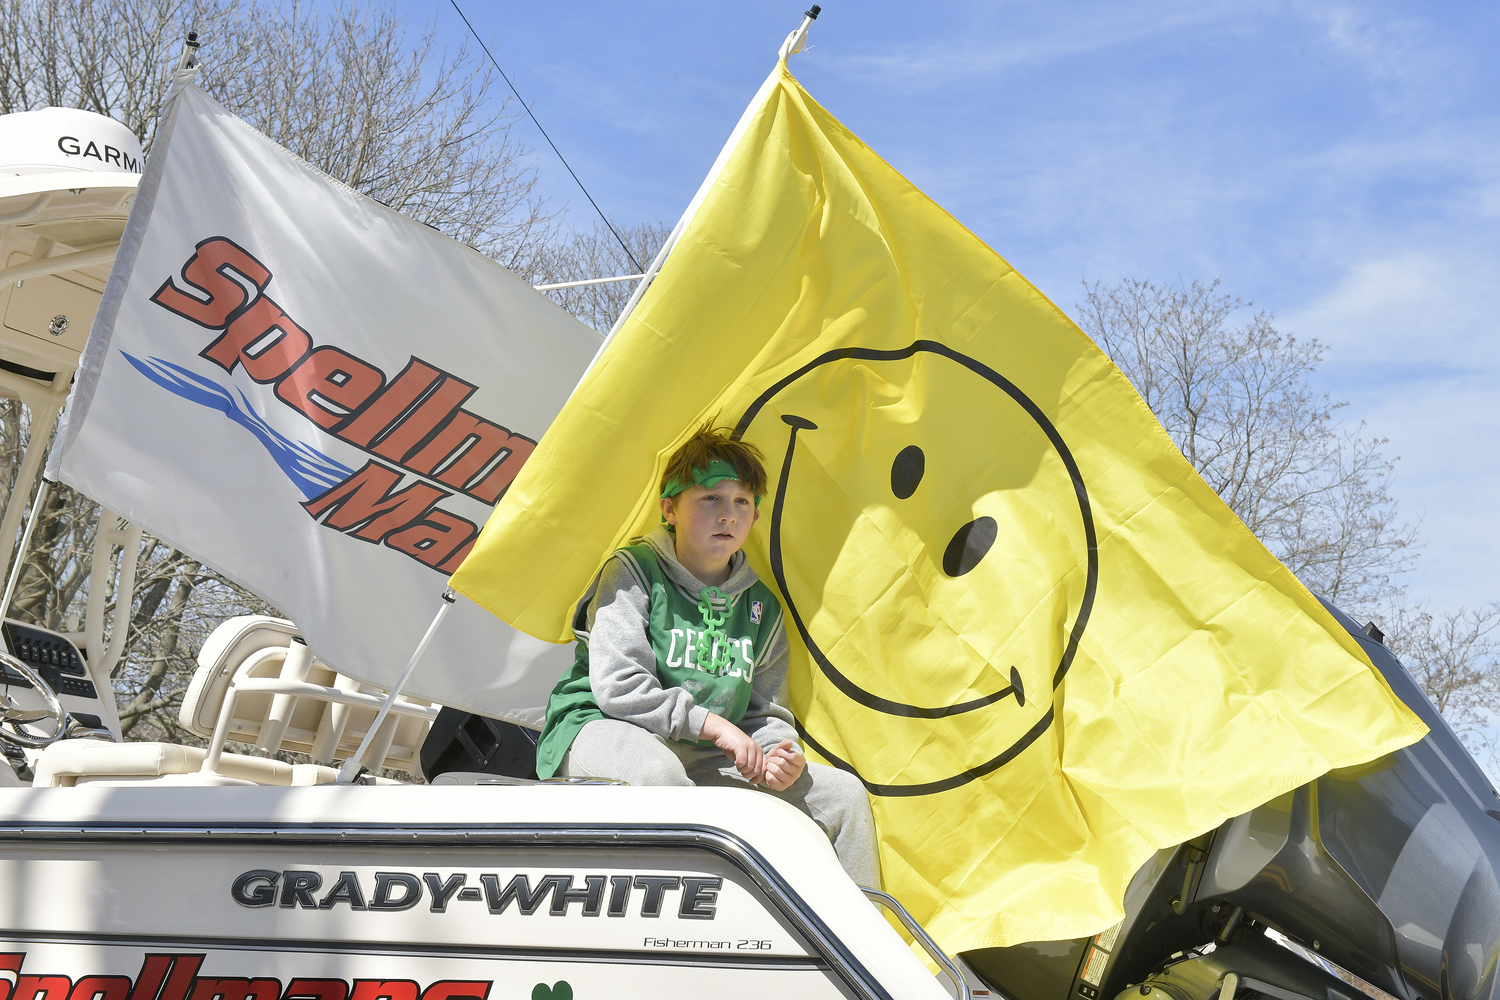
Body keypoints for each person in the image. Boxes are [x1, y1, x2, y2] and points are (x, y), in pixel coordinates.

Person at [534, 425, 879, 887]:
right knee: (660, 776)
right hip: (599, 729)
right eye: (710, 499)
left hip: (701, 756)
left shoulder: (763, 607)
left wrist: (779, 753)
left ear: (755, 517)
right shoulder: (633, 569)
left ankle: (860, 948)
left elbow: (765, 712)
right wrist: (719, 728)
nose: (727, 515)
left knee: (844, 795)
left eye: (741, 502)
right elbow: (618, 688)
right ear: (670, 509)